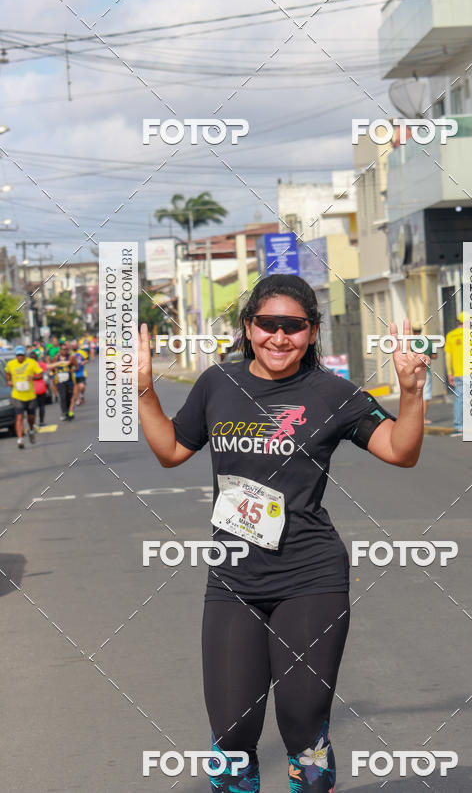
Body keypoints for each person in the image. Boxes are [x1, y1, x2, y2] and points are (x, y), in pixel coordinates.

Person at [138, 274, 430, 792]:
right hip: (232, 580)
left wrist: (411, 394)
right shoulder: (216, 384)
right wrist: (142, 391)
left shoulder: (332, 394)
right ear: (248, 328)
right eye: (267, 324)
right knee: (231, 733)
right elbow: (170, 451)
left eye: (292, 326)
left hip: (310, 577)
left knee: (301, 722)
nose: (279, 337)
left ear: (312, 332)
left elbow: (400, 451)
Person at [5, 344, 43, 448]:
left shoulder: (31, 363)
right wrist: (9, 381)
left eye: (21, 355)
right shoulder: (11, 364)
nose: (20, 357)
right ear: (15, 356)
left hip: (30, 395)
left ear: (25, 355)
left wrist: (33, 378)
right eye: (18, 355)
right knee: (19, 417)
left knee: (31, 417)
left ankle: (31, 430)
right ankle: (20, 439)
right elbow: (7, 372)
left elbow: (40, 374)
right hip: (17, 395)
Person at [444, 312, 467, 435]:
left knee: (459, 399)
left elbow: (448, 356)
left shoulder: (451, 336)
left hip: (458, 373)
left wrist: (450, 373)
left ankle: (459, 426)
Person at [411, 327, 438, 425]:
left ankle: (414, 419)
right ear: (421, 330)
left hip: (413, 371)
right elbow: (435, 356)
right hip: (425, 371)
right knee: (425, 396)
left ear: (413, 330)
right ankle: (423, 418)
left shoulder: (409, 342)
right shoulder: (428, 342)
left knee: (414, 396)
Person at [50, 341, 76, 420]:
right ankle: (64, 413)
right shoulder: (56, 358)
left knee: (69, 397)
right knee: (63, 396)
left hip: (69, 380)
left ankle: (68, 411)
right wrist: (55, 372)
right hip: (60, 381)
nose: (64, 351)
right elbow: (52, 367)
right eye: (63, 349)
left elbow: (76, 367)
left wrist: (72, 369)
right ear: (60, 351)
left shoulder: (71, 357)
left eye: (66, 349)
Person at [33, 353, 49, 426]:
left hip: (32, 390)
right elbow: (45, 372)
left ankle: (33, 423)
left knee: (33, 408)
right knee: (41, 406)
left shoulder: (27, 366)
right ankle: (41, 421)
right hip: (41, 388)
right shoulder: (41, 364)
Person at [71, 339, 87, 405]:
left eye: (75, 345)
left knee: (82, 386)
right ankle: (77, 399)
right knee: (75, 386)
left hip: (81, 372)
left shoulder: (82, 352)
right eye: (72, 345)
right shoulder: (70, 353)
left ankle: (81, 395)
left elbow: (87, 360)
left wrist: (84, 362)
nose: (74, 346)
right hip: (73, 373)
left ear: (77, 345)